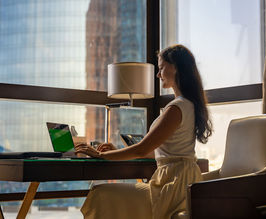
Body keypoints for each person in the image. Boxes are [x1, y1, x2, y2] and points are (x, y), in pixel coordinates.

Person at [75, 44, 212, 219]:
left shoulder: (176, 108)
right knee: (106, 193)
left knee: (101, 192)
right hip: (180, 181)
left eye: (161, 68)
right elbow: (158, 153)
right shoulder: (189, 105)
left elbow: (141, 149)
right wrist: (116, 151)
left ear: (176, 67)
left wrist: (99, 155)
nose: (158, 74)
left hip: (172, 185)